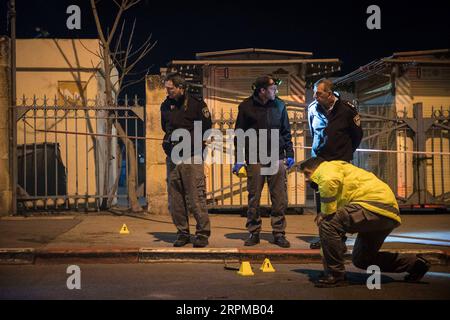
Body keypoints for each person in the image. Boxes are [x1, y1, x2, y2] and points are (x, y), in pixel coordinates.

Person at [299, 157, 431, 288]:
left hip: (373, 205)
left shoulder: (327, 168)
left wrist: (325, 212)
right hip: (386, 213)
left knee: (328, 222)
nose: (306, 179)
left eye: (307, 173)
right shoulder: (340, 176)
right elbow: (336, 229)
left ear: (317, 167)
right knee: (362, 260)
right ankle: (415, 264)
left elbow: (328, 182)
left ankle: (336, 276)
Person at [233, 75, 295, 248]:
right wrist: (239, 159)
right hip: (255, 158)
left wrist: (289, 153)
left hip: (277, 157)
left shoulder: (280, 105)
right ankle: (254, 232)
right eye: (273, 88)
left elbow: (286, 132)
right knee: (254, 198)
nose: (276, 91)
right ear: (262, 91)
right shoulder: (245, 106)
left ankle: (279, 233)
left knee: (280, 198)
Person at [307, 78, 363, 249]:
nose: (315, 96)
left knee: (340, 201)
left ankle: (339, 237)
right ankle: (325, 237)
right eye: (315, 93)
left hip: (340, 162)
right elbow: (313, 132)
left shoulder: (347, 110)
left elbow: (357, 136)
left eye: (319, 93)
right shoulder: (312, 109)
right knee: (321, 200)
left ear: (329, 94)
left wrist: (345, 154)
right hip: (321, 162)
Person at [160, 73, 212, 248]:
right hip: (173, 157)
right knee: (176, 198)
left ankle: (202, 233)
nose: (167, 92)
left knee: (196, 196)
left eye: (171, 88)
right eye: (166, 88)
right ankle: (182, 233)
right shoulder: (166, 105)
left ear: (181, 88)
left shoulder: (197, 105)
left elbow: (206, 128)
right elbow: (164, 127)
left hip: (192, 156)